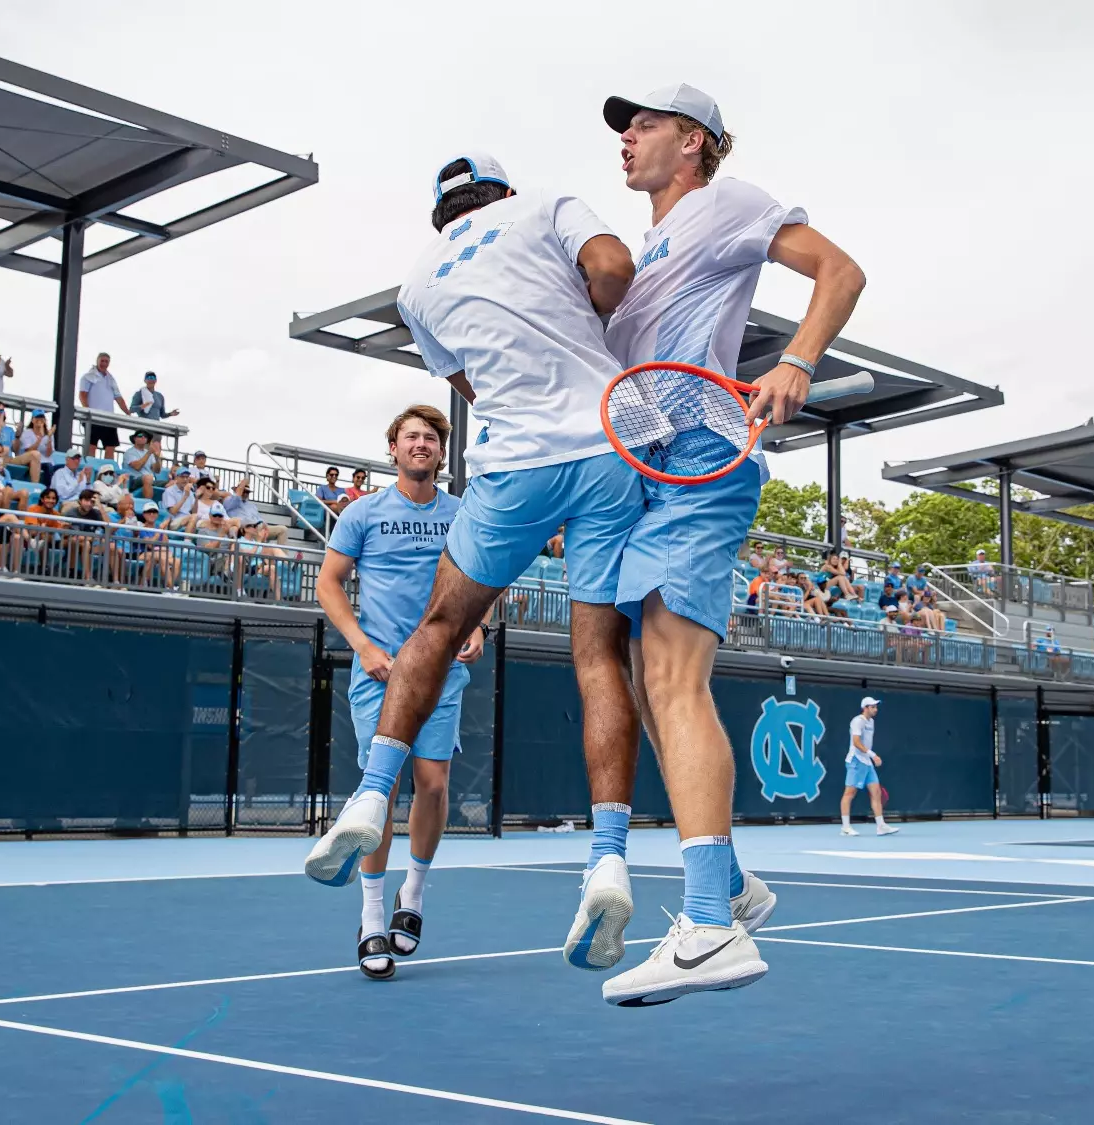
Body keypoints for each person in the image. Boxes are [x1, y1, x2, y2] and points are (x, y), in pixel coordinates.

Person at [303, 150, 680, 993]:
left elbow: (469, 382)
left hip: (515, 468)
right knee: (597, 658)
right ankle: (609, 859)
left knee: (439, 625)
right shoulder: (547, 203)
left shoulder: (416, 285)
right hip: (609, 450)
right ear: (503, 192)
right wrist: (594, 329)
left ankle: (368, 799)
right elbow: (614, 269)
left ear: (442, 214)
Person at [595, 83, 864, 1004]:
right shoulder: (638, 254)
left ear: (695, 141)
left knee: (673, 682)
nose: (626, 138)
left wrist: (796, 360)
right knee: (647, 686)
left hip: (704, 454)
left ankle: (709, 923)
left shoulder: (728, 203)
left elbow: (841, 271)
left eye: (643, 124)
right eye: (623, 128)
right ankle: (735, 884)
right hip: (644, 471)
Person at [307, 405, 481, 979]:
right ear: (393, 448)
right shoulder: (362, 513)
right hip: (380, 672)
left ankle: (415, 894)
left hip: (441, 672)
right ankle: (373, 917)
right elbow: (328, 583)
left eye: (431, 438)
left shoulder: (461, 514)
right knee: (379, 797)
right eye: (411, 437)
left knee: (432, 785)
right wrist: (361, 645)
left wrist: (476, 626)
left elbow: (484, 577)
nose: (421, 444)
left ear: (440, 451)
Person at [840, 698, 898, 836]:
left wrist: (870, 757)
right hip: (855, 761)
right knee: (849, 793)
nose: (876, 710)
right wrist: (873, 755)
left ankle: (881, 826)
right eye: (873, 707)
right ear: (865, 708)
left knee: (876, 792)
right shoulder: (857, 721)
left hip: (867, 762)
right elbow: (856, 742)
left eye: (876, 707)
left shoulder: (871, 722)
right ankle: (846, 828)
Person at [79, 352, 129, 457]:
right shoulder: (88, 377)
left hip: (109, 419)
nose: (104, 363)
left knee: (110, 446)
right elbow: (82, 394)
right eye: (102, 361)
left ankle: (108, 472)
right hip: (93, 417)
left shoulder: (111, 379)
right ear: (97, 361)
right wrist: (87, 411)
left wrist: (128, 413)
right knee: (92, 446)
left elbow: (118, 397)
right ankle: (90, 470)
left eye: (106, 361)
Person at [13, 411, 54, 484]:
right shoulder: (27, 433)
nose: (39, 420)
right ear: (32, 420)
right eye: (37, 418)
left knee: (57, 467)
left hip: (47, 461)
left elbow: (48, 454)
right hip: (33, 460)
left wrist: (49, 438)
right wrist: (40, 438)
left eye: (42, 418)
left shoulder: (49, 434)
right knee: (48, 467)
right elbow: (29, 450)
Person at [123, 431, 161, 498]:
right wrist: (149, 452)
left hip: (150, 479)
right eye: (140, 435)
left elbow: (157, 470)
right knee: (148, 477)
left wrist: (157, 457)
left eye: (145, 436)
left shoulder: (149, 453)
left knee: (173, 483)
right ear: (134, 439)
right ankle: (148, 505)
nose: (143, 437)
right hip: (134, 480)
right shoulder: (130, 452)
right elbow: (137, 466)